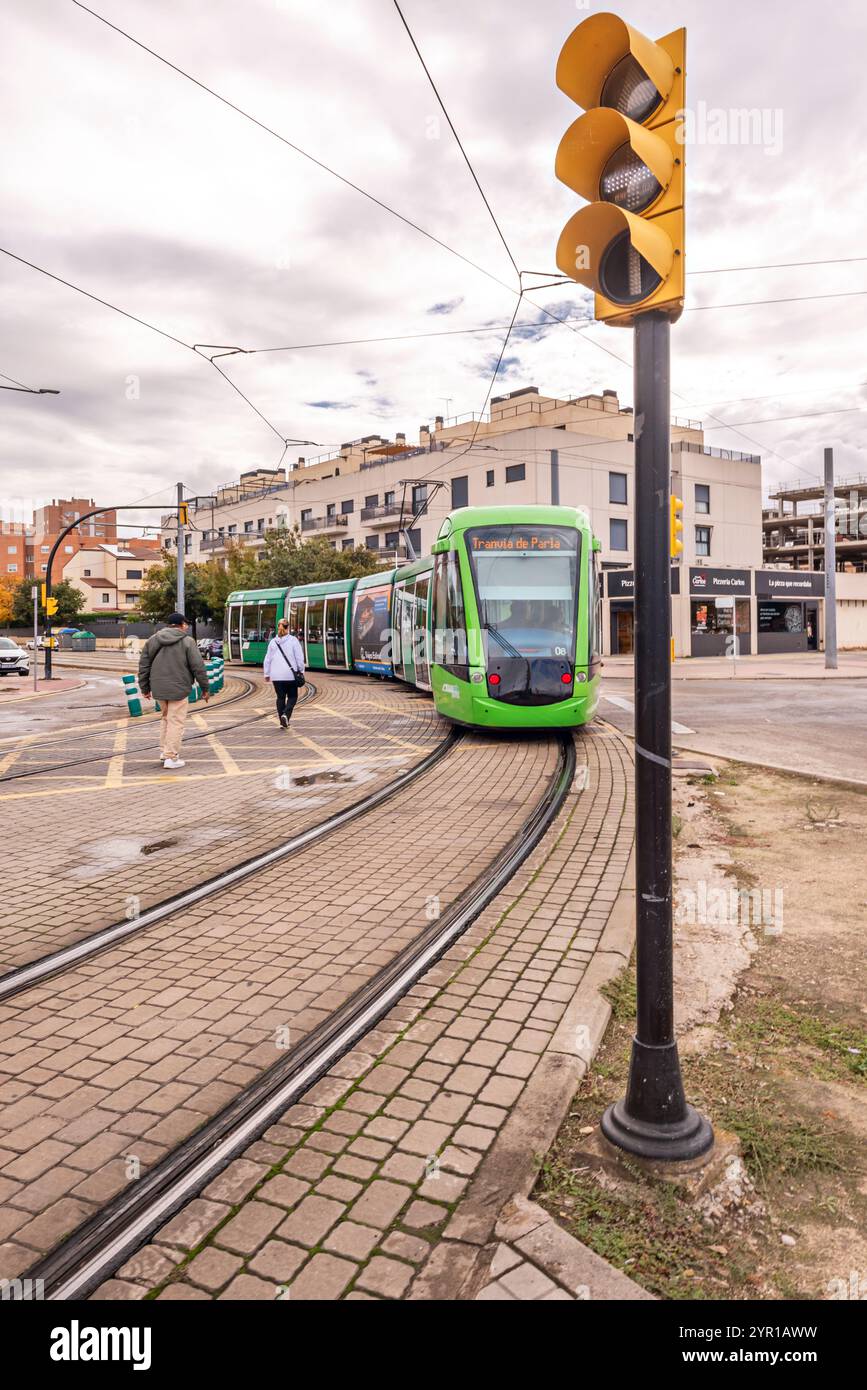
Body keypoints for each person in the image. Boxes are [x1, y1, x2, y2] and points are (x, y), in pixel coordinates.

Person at [138, 612, 210, 769]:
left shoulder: (152, 640)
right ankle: (171, 757)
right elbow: (198, 667)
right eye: (186, 624)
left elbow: (144, 666)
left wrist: (144, 688)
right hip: (179, 687)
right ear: (182, 625)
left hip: (158, 687)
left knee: (165, 719)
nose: (187, 626)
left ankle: (164, 752)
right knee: (176, 722)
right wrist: (205, 688)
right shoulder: (187, 642)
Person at [263, 617, 305, 728]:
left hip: (276, 676)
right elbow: (299, 658)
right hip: (290, 675)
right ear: (288, 627)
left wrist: (267, 674)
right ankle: (285, 715)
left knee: (280, 698)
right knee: (293, 697)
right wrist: (301, 670)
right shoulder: (293, 640)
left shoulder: (273, 642)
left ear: (278, 627)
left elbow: (268, 659)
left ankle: (282, 718)